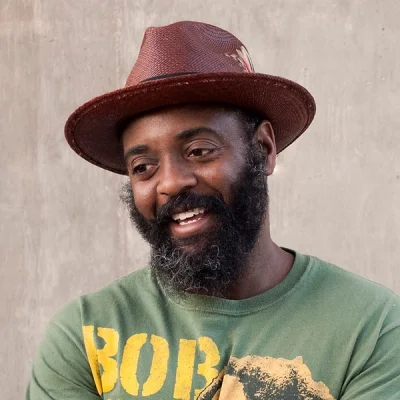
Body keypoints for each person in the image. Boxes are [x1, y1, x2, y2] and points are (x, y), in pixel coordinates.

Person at [26, 21, 400, 400]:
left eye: (200, 151)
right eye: (143, 167)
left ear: (263, 149)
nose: (170, 183)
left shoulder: (369, 326)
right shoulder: (86, 336)